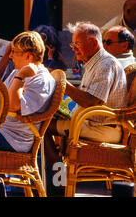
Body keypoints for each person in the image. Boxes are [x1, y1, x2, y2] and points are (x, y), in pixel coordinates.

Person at [44, 22, 128, 195]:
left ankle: (58, 183)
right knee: (47, 117)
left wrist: (62, 83)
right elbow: (87, 101)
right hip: (93, 122)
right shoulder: (94, 62)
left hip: (104, 128)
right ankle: (59, 179)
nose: (74, 49)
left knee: (42, 127)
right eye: (72, 45)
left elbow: (91, 102)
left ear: (94, 43)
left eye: (77, 44)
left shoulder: (105, 64)